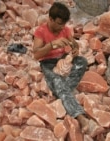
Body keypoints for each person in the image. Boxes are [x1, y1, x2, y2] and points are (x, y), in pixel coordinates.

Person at [32, 2, 89, 132]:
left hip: (63, 58)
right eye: (58, 23)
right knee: (57, 80)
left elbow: (74, 44)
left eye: (63, 24)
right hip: (47, 62)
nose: (61, 27)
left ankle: (62, 92)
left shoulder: (65, 30)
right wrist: (52, 45)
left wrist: (75, 50)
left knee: (82, 62)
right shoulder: (40, 31)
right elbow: (36, 55)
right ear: (50, 19)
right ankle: (80, 116)